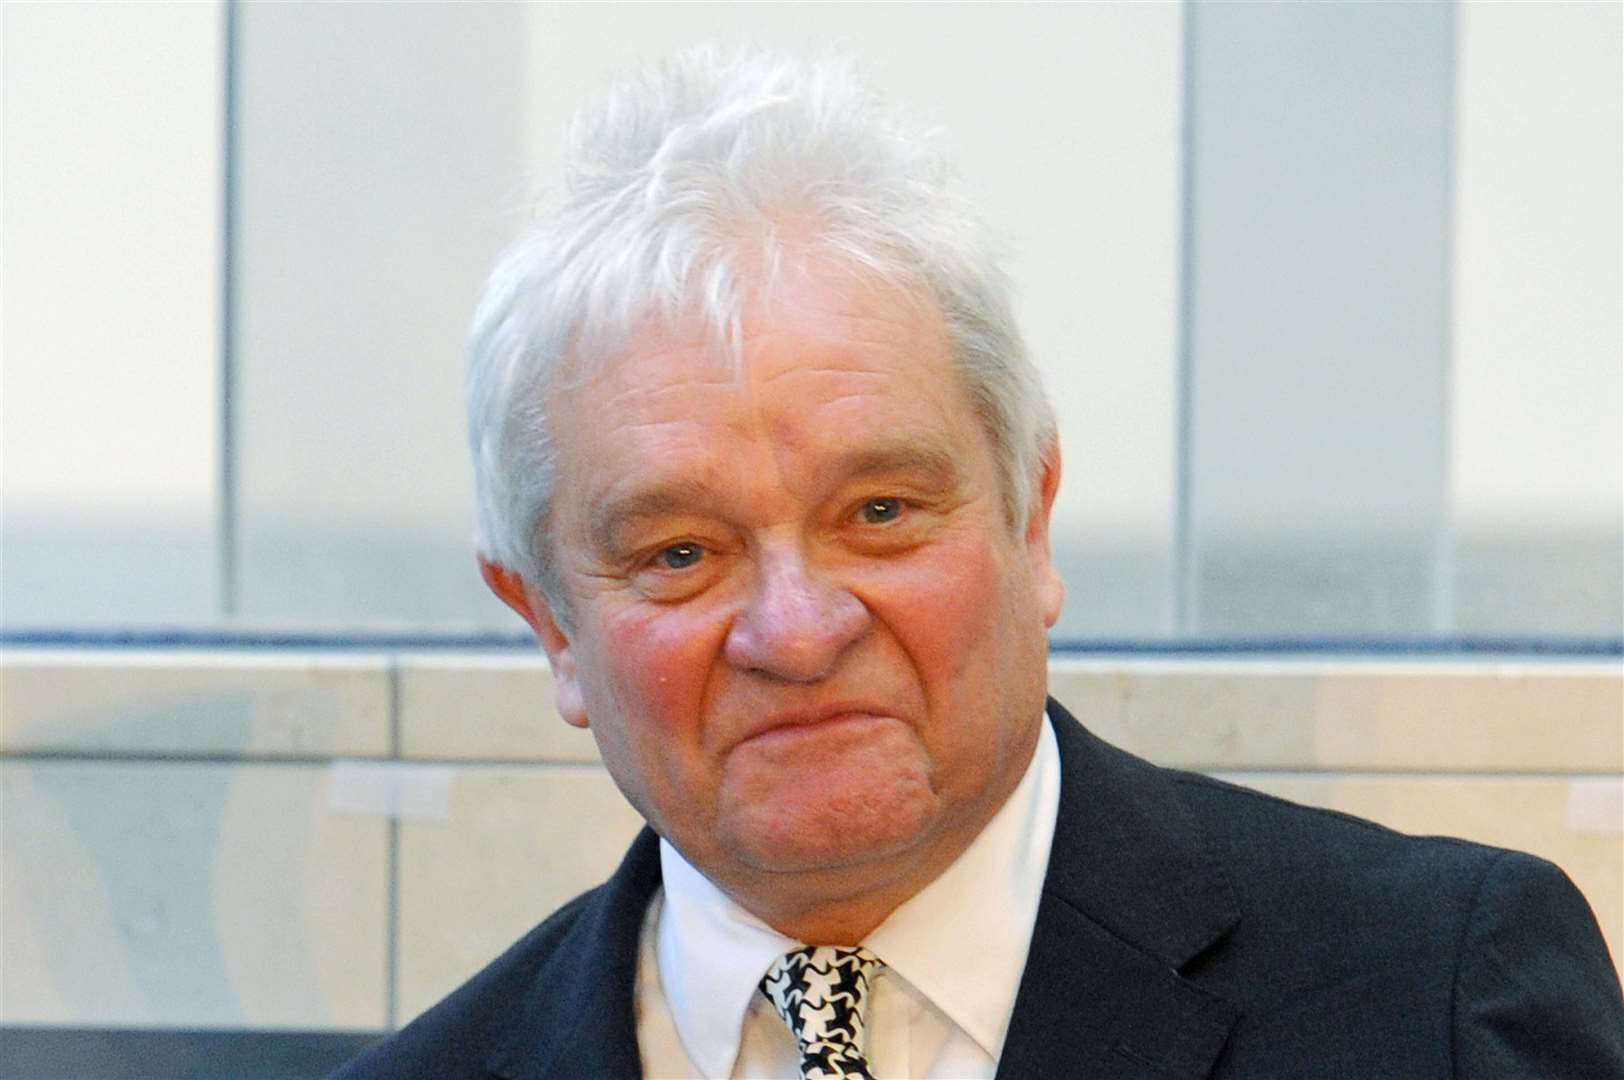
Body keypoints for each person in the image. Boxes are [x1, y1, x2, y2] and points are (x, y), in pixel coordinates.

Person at [335, 48, 1623, 1079]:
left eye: (881, 512)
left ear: (1032, 519)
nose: (796, 629)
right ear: (551, 625)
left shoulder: (1434, 999)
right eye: (682, 552)